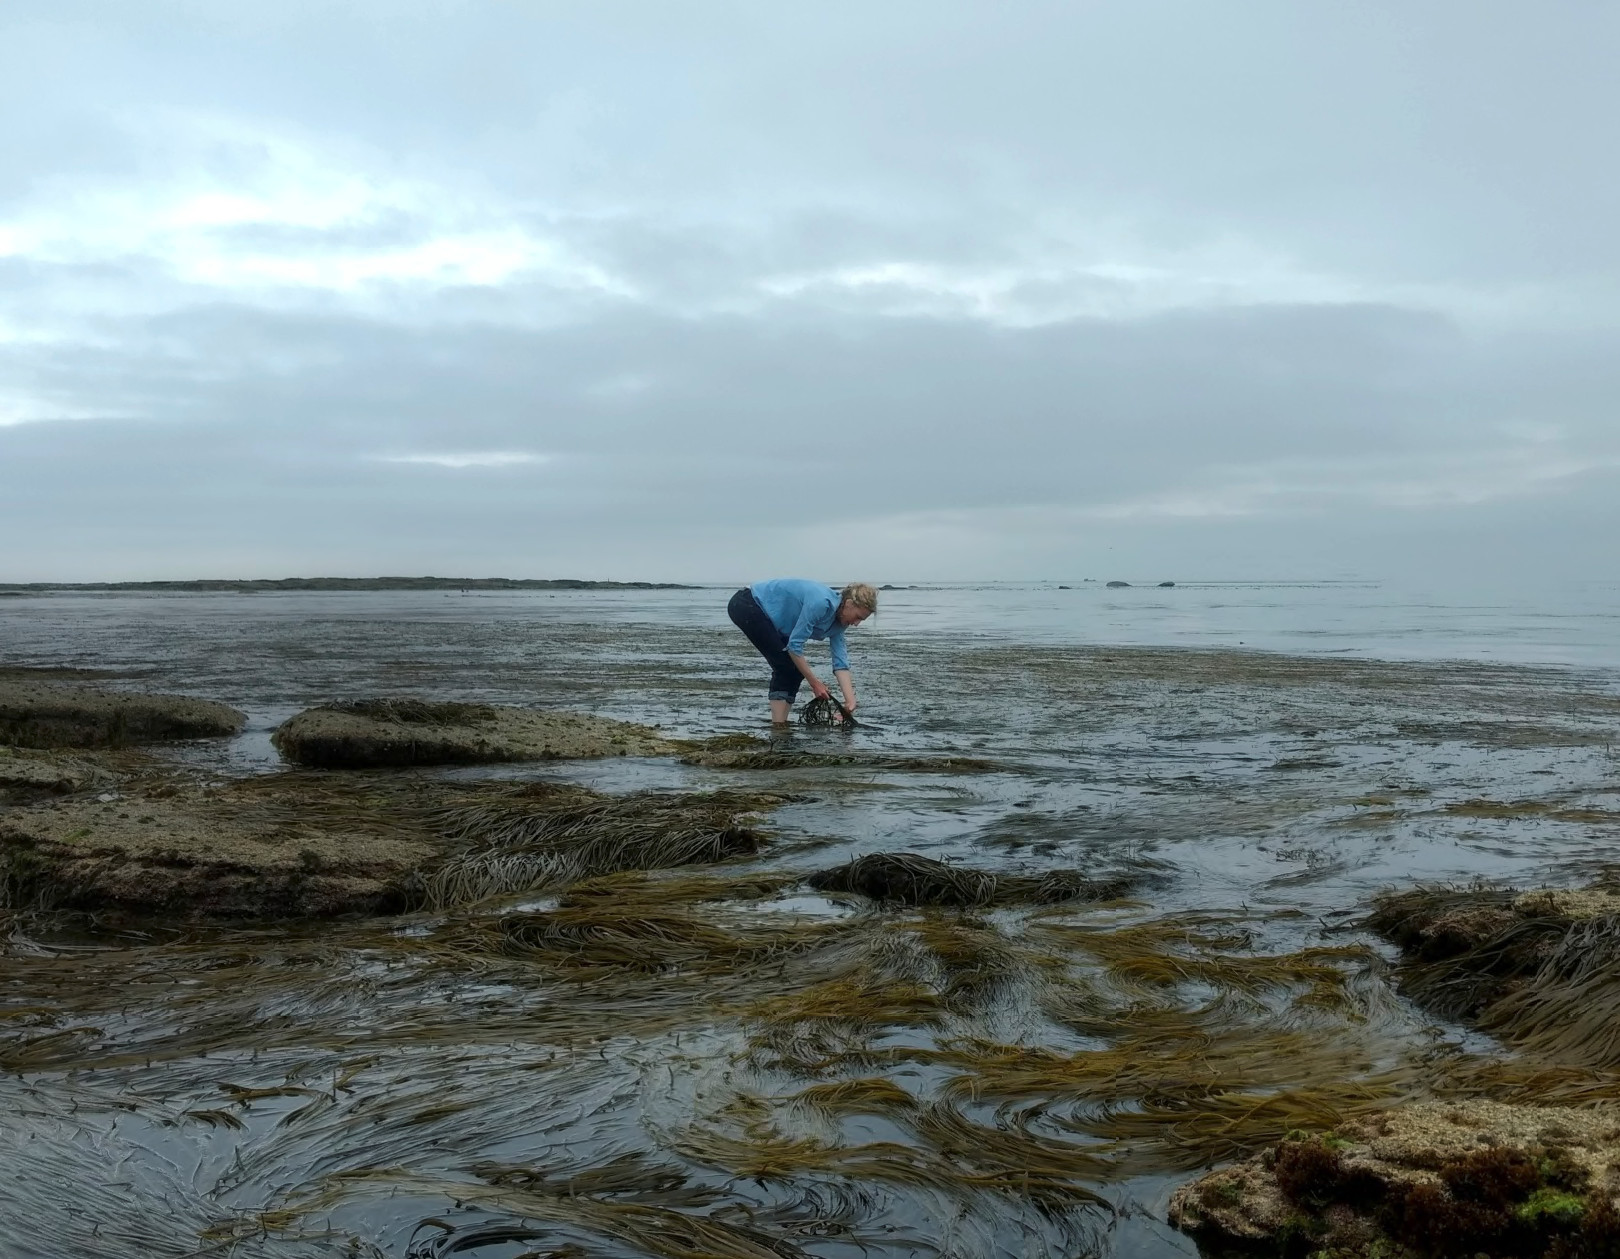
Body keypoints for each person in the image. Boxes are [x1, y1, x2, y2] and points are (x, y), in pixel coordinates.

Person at [727, 579, 877, 724]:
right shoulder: (821, 603)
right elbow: (794, 646)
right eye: (858, 617)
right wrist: (815, 684)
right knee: (784, 665)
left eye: (861, 620)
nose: (857, 624)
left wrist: (850, 701)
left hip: (774, 619)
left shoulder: (840, 624)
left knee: (796, 671)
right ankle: (778, 726)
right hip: (748, 603)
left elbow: (840, 662)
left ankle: (781, 723)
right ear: (849, 604)